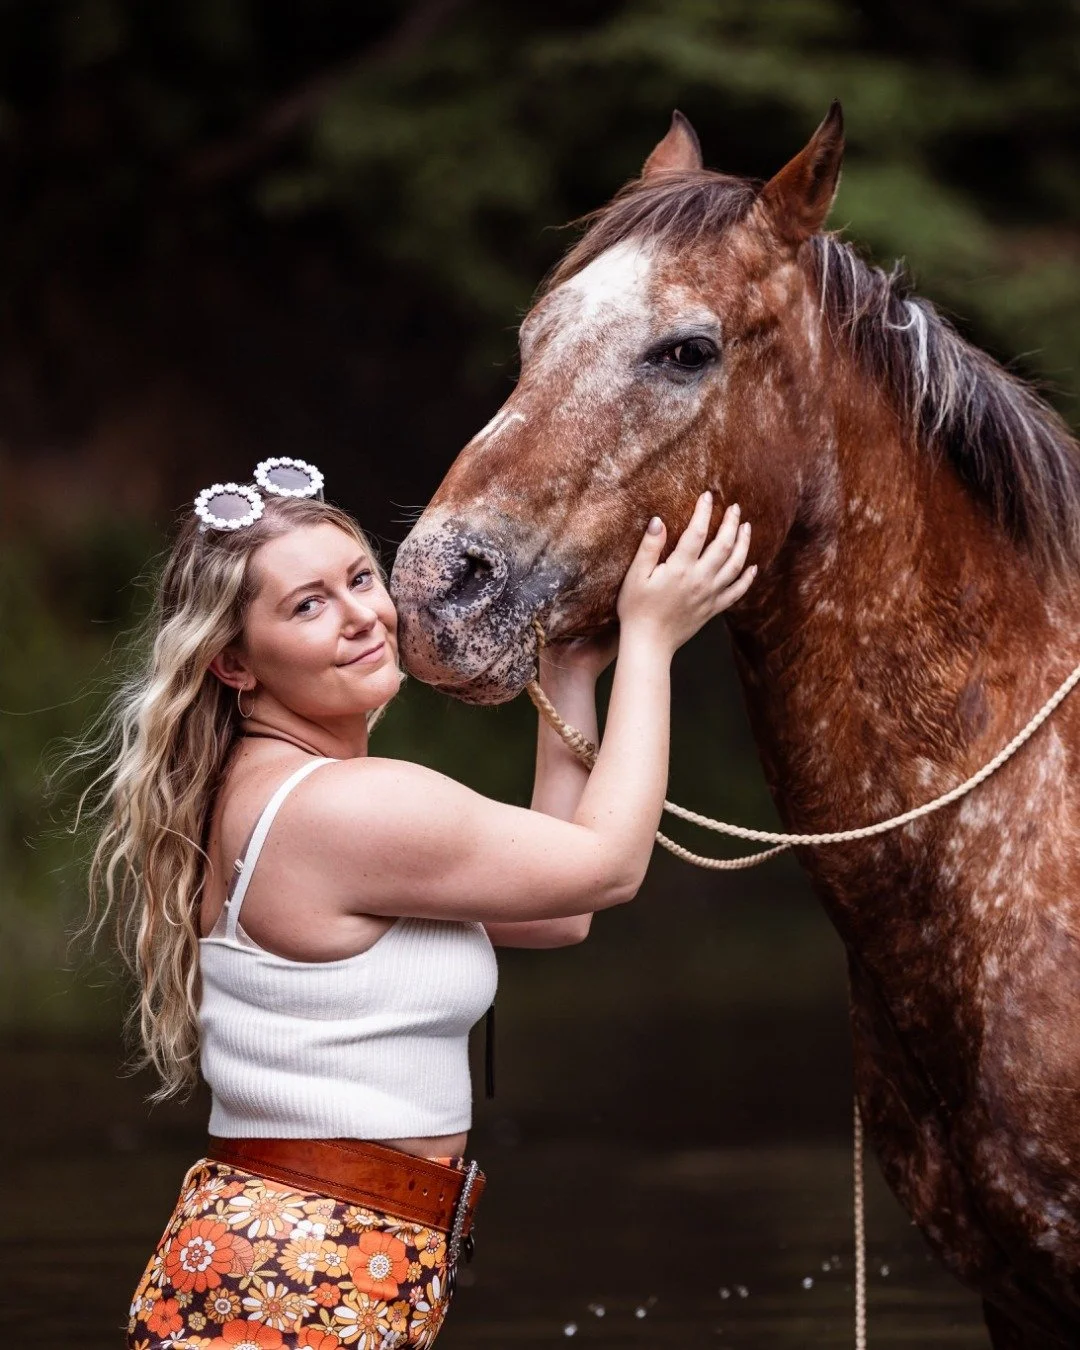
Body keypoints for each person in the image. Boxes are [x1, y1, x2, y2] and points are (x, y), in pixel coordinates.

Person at [83, 457, 755, 1350]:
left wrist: (571, 674)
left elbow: (556, 911)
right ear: (234, 664)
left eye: (360, 578)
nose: (362, 614)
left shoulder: (274, 790)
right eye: (307, 604)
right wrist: (654, 641)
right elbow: (608, 866)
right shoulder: (346, 807)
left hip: (309, 1258)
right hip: (302, 1269)